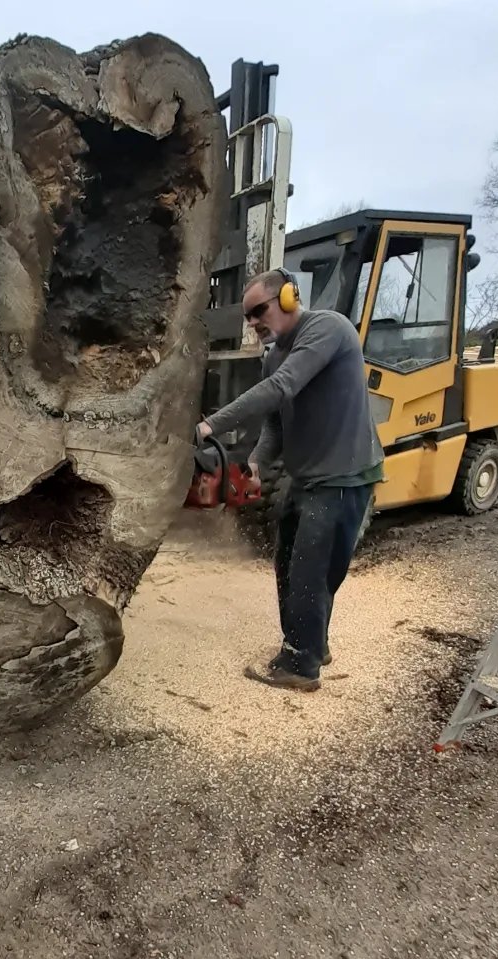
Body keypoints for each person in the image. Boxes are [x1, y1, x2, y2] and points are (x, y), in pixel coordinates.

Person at [197, 268, 384, 691]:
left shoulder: (327, 329)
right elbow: (277, 424)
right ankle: (312, 643)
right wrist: (258, 464)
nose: (253, 322)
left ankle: (301, 665)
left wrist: (211, 426)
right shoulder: (274, 354)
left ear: (287, 297)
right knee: (287, 562)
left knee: (310, 569)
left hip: (343, 476)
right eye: (247, 316)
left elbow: (282, 388)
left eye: (258, 310)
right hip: (306, 477)